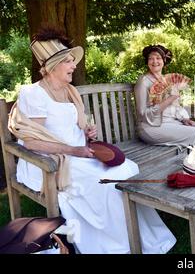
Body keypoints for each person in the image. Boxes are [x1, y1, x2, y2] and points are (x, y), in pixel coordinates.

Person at [9, 28, 176, 254]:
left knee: (127, 169)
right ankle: (114, 246)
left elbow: (73, 125)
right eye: (68, 61)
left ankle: (137, 237)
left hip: (79, 153)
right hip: (49, 160)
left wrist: (87, 132)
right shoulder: (33, 94)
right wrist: (73, 149)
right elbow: (31, 142)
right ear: (51, 67)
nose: (74, 65)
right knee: (104, 183)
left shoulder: (69, 91)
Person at [134, 44, 195, 147]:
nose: (154, 62)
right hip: (151, 127)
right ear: (147, 61)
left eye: (158, 58)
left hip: (171, 122)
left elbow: (174, 108)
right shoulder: (143, 81)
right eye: (151, 59)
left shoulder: (166, 80)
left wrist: (183, 119)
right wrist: (171, 98)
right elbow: (142, 114)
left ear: (164, 61)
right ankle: (192, 162)